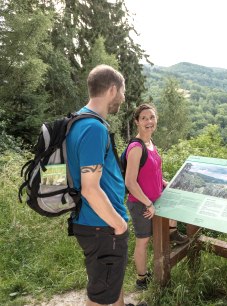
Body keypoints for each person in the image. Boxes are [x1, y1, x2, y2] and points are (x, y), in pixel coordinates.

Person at [66, 64, 133, 306]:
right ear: (112, 90)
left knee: (109, 289)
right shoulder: (93, 128)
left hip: (96, 224)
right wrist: (119, 223)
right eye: (123, 92)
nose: (123, 98)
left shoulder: (78, 121)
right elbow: (90, 188)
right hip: (101, 226)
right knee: (102, 297)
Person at [125, 103, 189, 290]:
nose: (148, 121)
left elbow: (152, 173)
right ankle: (141, 279)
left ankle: (172, 232)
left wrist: (165, 183)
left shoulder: (151, 144)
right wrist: (148, 204)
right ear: (137, 122)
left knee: (157, 236)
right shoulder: (136, 147)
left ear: (156, 120)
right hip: (141, 203)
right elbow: (130, 182)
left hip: (154, 200)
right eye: (144, 118)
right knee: (143, 241)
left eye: (151, 117)